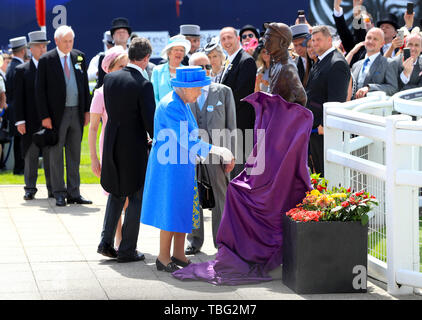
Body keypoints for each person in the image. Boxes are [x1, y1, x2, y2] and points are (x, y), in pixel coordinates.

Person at [141, 66, 235, 272]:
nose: (200, 92)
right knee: (171, 209)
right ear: (185, 87)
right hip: (170, 167)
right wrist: (216, 150)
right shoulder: (171, 106)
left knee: (182, 208)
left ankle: (178, 254)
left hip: (181, 165)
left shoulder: (181, 102)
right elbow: (186, 139)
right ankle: (163, 258)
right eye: (198, 89)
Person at [97, 37, 155, 263]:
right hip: (133, 148)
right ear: (147, 58)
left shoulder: (110, 79)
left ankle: (106, 242)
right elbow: (150, 123)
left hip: (112, 143)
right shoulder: (143, 84)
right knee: (136, 197)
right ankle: (127, 249)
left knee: (115, 193)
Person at [185, 52, 237, 255]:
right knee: (193, 196)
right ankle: (194, 240)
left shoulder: (223, 91)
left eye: (207, 66)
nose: (205, 71)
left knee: (220, 197)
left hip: (218, 154)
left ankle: (222, 242)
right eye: (199, 68)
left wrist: (231, 154)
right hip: (191, 155)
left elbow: (232, 126)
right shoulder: (184, 94)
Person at [35, 25, 92, 207]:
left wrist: (87, 110)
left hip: (76, 112)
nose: (68, 44)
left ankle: (74, 192)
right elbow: (40, 91)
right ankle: (58, 192)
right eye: (65, 41)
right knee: (56, 154)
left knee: (74, 153)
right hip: (56, 115)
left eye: (71, 41)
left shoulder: (79, 56)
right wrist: (45, 116)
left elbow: (84, 85)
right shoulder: (46, 60)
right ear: (57, 41)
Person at [89, 45, 128, 249]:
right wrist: (94, 158)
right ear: (109, 68)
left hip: (129, 148)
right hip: (110, 149)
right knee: (116, 196)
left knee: (129, 197)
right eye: (121, 65)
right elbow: (93, 129)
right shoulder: (100, 94)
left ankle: (125, 241)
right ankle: (117, 239)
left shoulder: (131, 88)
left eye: (126, 65)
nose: (125, 69)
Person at [305, 25, 351, 176]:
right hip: (315, 129)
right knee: (320, 174)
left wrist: (325, 125)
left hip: (324, 130)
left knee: (329, 175)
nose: (315, 43)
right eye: (313, 40)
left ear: (329, 40)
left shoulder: (336, 63)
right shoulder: (319, 61)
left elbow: (337, 100)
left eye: (319, 39)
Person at [13, 31, 52, 200]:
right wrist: (19, 121)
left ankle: (53, 188)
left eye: (45, 46)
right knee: (31, 156)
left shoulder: (52, 67)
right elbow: (17, 98)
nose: (43, 49)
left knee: (52, 156)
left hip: (50, 121)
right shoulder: (22, 70)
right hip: (29, 120)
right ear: (31, 49)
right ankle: (30, 188)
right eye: (39, 46)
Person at [219, 27, 257, 179]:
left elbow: (241, 94)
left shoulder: (246, 60)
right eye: (223, 39)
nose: (227, 42)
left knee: (244, 172)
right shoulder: (229, 60)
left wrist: (218, 109)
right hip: (231, 125)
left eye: (229, 37)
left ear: (238, 39)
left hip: (241, 125)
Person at [263, 23, 307, 106]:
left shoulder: (287, 67)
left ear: (282, 42)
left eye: (269, 40)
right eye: (264, 40)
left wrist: (288, 116)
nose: (265, 44)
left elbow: (302, 98)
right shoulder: (276, 64)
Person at [351, 28, 398, 99]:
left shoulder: (388, 63)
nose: (370, 41)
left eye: (375, 39)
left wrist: (369, 88)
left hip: (373, 107)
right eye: (369, 38)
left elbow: (393, 88)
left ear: (382, 44)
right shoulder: (356, 65)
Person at [6, 36, 27, 175]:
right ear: (23, 50)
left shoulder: (11, 66)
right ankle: (20, 168)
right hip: (18, 109)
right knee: (21, 141)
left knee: (19, 141)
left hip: (13, 108)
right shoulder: (17, 68)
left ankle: (19, 168)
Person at [151, 35, 191, 105]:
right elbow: (154, 96)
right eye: (176, 50)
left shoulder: (187, 71)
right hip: (162, 112)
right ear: (169, 53)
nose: (179, 52)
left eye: (181, 50)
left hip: (182, 112)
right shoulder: (157, 70)